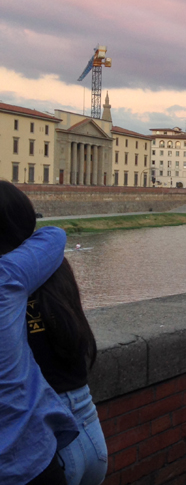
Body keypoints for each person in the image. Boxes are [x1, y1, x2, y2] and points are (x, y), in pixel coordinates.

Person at [1, 181, 107, 485]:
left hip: (49, 445)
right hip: (89, 426)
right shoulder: (55, 268)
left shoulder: (9, 280)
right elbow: (54, 234)